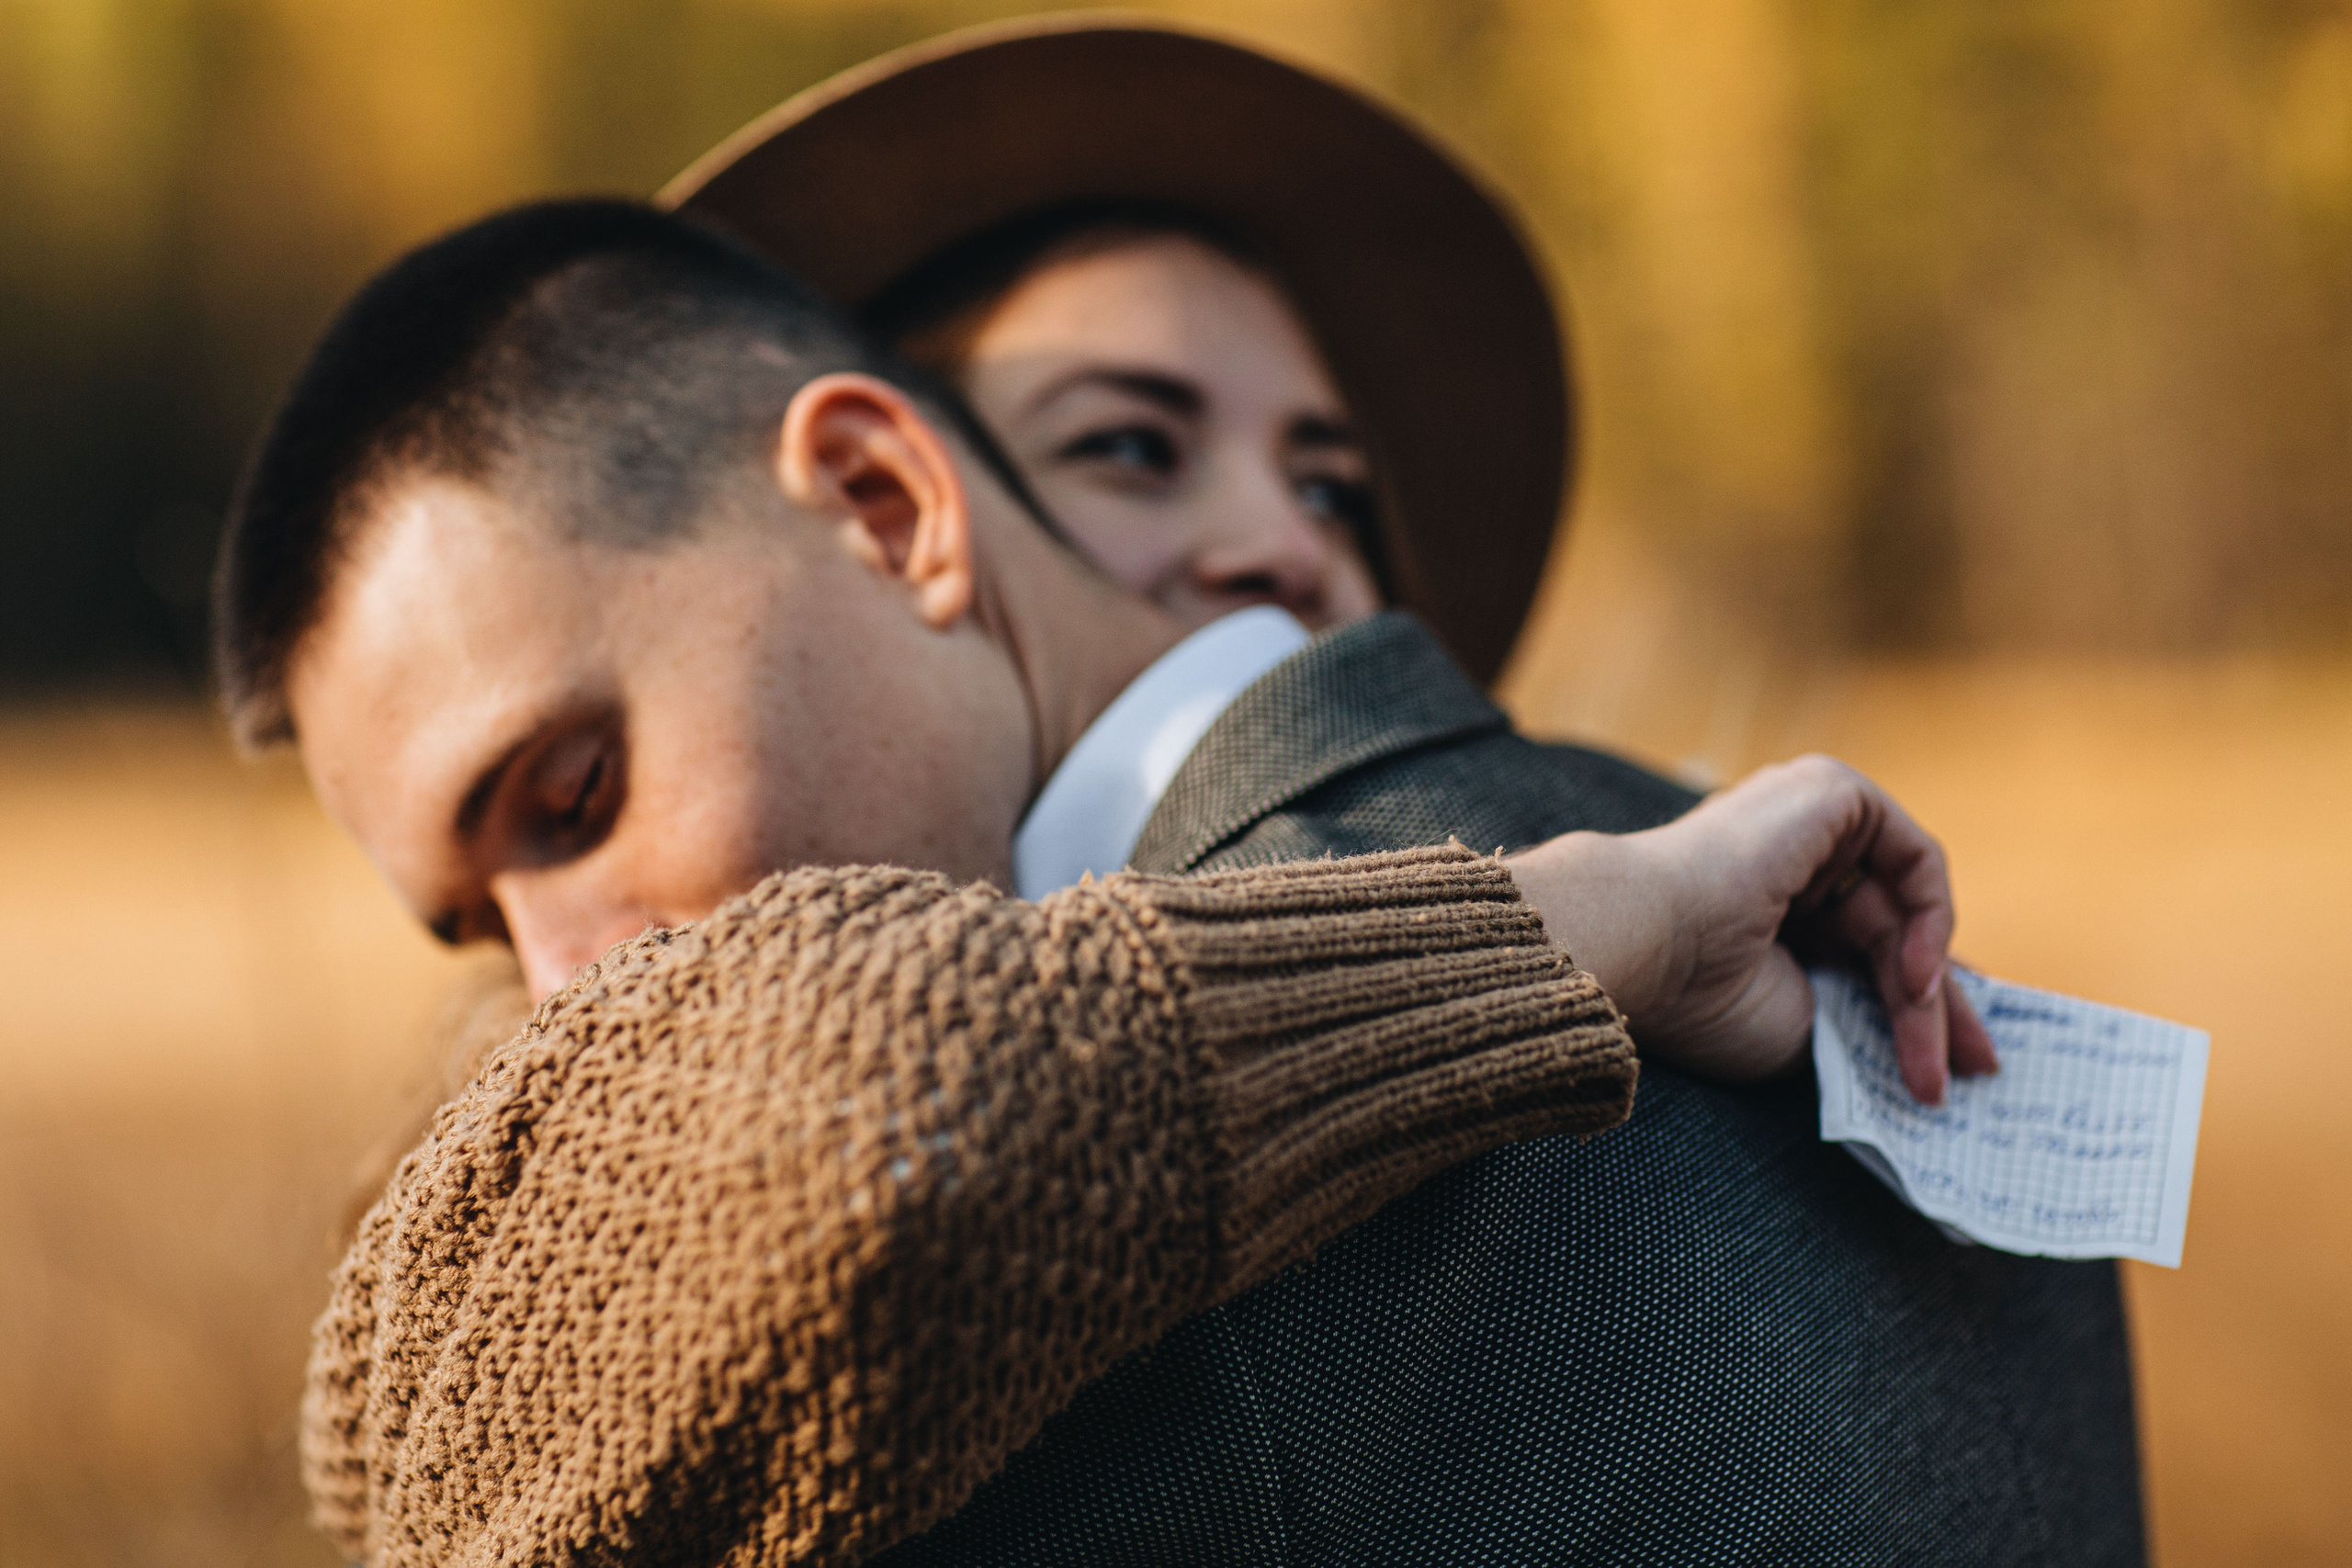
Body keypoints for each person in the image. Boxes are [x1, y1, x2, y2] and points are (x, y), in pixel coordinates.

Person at [217, 200, 2136, 1562]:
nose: (558, 988)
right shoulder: (1809, 935)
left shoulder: (1002, 1285)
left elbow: (471, 1464)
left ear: (891, 501)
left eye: (573, 790)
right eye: (478, 924)